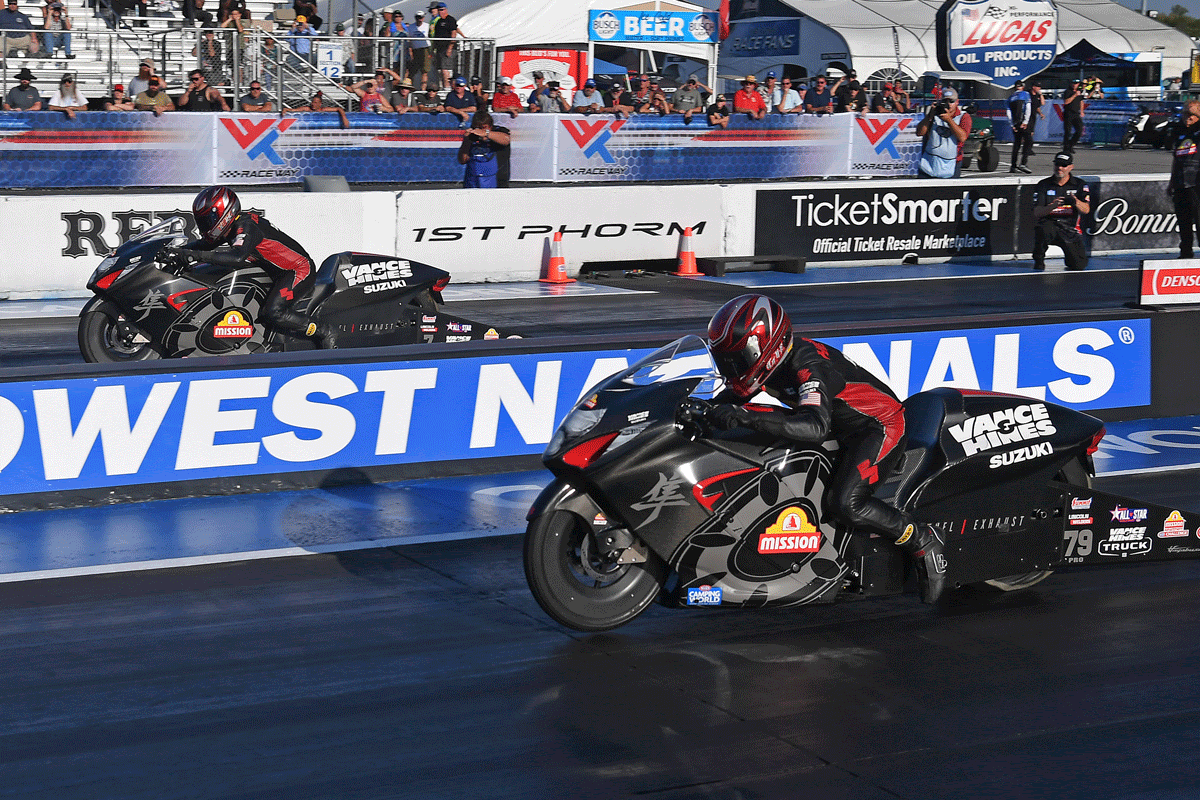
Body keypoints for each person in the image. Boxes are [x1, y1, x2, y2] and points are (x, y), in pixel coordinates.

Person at [700, 294, 947, 603]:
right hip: (837, 424)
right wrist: (701, 411)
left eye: (738, 360)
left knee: (846, 503)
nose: (733, 368)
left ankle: (922, 539)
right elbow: (731, 400)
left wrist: (746, 416)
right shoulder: (771, 364)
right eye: (725, 361)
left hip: (879, 427)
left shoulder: (808, 367)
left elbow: (813, 427)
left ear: (766, 348)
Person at [165, 187, 333, 348]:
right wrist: (177, 252)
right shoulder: (233, 227)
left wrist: (194, 256)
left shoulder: (246, 227)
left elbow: (237, 257)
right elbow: (205, 245)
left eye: (208, 220)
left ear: (225, 214)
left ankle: (324, 330)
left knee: (273, 312)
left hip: (298, 270)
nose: (205, 226)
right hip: (278, 272)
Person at [1032, 152, 1091, 271]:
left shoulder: (1080, 185)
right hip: (1050, 224)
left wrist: (1075, 202)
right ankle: (1038, 260)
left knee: (1079, 265)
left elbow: (1086, 210)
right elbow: (1037, 213)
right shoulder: (1043, 185)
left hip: (1069, 228)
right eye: (1057, 165)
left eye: (1064, 165)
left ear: (1071, 167)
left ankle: (1071, 257)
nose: (1060, 168)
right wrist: (1052, 206)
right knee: (1042, 229)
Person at [916, 85, 970, 178]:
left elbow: (962, 137)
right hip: (929, 160)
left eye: (951, 101)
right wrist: (930, 116)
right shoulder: (934, 114)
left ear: (957, 102)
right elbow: (919, 132)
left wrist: (949, 120)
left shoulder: (963, 117)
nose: (948, 104)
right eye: (945, 101)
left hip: (952, 163)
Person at [1169, 102, 1200, 259]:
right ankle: (1185, 253)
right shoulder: (1180, 133)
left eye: (1191, 115)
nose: (1188, 118)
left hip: (1196, 185)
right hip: (1180, 184)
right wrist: (1171, 183)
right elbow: (1176, 160)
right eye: (1185, 114)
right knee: (1183, 222)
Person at [457, 109, 510, 188]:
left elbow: (506, 140)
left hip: (497, 178)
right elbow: (462, 160)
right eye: (477, 127)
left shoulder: (499, 131)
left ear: (490, 126)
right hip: (474, 178)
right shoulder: (472, 136)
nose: (480, 130)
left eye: (484, 127)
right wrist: (467, 141)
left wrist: (486, 133)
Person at [430, 2, 461, 91]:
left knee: (446, 69)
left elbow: (453, 33)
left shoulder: (450, 19)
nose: (440, 11)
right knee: (440, 70)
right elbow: (436, 36)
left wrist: (450, 48)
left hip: (447, 48)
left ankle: (448, 88)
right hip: (439, 49)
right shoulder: (438, 21)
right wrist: (433, 49)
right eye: (439, 10)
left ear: (446, 9)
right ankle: (442, 87)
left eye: (442, 9)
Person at [1008, 79, 1033, 174]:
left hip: (1015, 123)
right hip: (1022, 122)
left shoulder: (1010, 97)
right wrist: (1025, 121)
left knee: (1017, 144)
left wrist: (1012, 124)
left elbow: (1008, 113)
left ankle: (1013, 165)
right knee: (1029, 141)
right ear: (1023, 86)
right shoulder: (1025, 94)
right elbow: (1028, 108)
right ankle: (1023, 163)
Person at [407, 9, 429, 89]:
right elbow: (409, 40)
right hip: (415, 50)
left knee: (425, 70)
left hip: (425, 49)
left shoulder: (427, 26)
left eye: (421, 17)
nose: (420, 19)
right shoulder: (411, 27)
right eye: (418, 17)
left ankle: (423, 89)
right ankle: (410, 87)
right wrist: (410, 52)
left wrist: (431, 52)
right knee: (412, 71)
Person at [1062, 79, 1084, 154]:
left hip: (1076, 113)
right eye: (1073, 83)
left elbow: (1081, 101)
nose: (1075, 85)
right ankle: (1066, 147)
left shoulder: (1079, 92)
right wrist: (1074, 95)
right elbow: (1066, 102)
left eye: (1076, 83)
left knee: (1079, 130)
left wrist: (1081, 111)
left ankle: (1071, 145)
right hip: (1068, 113)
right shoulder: (1068, 91)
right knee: (1068, 131)